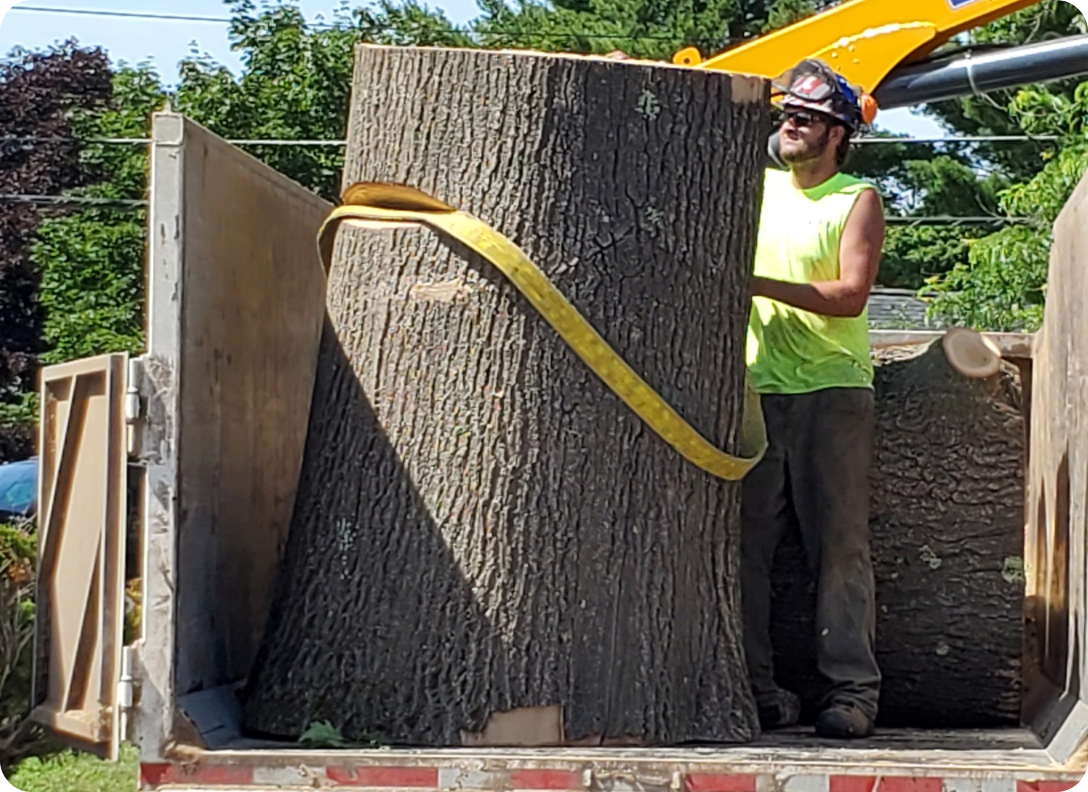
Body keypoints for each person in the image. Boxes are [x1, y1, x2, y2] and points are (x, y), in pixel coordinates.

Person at [742, 58, 886, 739]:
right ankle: (756, 690)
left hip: (833, 390)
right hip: (756, 388)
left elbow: (850, 294)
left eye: (804, 119)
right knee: (745, 547)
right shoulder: (757, 186)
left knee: (840, 547)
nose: (788, 126)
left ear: (836, 134)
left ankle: (852, 693)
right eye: (786, 116)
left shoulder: (857, 198)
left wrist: (758, 285)